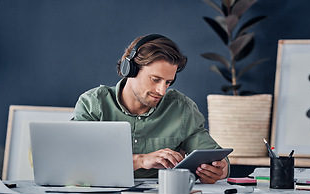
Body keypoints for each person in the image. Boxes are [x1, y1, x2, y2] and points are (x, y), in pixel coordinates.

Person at [73, 34, 230, 184]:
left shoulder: (181, 108)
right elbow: (76, 163)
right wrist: (141, 160)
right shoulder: (93, 104)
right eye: (155, 80)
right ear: (130, 69)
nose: (162, 91)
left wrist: (217, 171)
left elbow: (219, 160)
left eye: (168, 82)